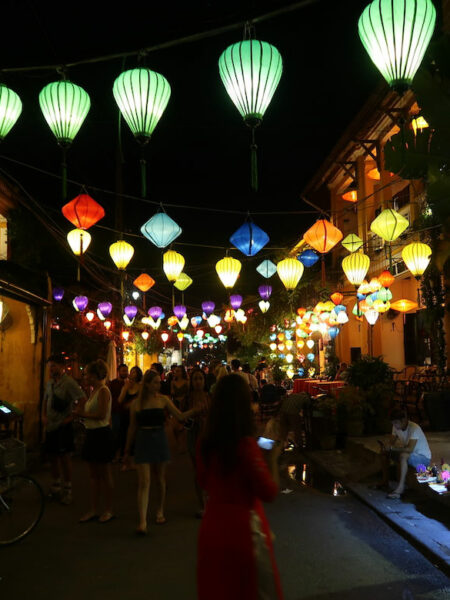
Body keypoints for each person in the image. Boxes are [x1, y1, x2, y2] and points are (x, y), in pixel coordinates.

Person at [197, 374, 283, 600]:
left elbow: (203, 481)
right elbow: (269, 491)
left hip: (212, 527)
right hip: (244, 531)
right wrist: (272, 459)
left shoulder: (205, 443)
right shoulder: (246, 447)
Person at [124, 369, 196, 534]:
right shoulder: (136, 404)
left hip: (159, 439)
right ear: (147, 384)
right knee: (144, 481)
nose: (159, 384)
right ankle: (142, 521)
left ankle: (160, 510)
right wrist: (127, 449)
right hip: (143, 439)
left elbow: (179, 415)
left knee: (160, 478)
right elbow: (132, 427)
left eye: (159, 382)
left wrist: (195, 410)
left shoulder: (163, 400)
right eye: (155, 382)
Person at [42, 354, 86, 505]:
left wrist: (72, 416)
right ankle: (56, 486)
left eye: (53, 365)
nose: (51, 369)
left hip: (63, 426)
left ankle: (68, 489)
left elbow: (82, 399)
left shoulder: (69, 383)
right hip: (51, 426)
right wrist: (43, 416)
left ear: (61, 366)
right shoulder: (50, 384)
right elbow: (46, 399)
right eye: (50, 366)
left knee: (65, 457)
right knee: (53, 456)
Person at [75, 359, 114, 523]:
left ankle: (109, 509)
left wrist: (82, 415)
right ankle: (94, 509)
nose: (85, 377)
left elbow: (102, 414)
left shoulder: (103, 391)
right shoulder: (93, 391)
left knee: (104, 473)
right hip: (92, 433)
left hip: (101, 434)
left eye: (87, 374)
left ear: (94, 375)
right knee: (93, 475)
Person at [380, 408, 431, 499]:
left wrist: (392, 448)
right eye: (393, 423)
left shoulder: (414, 428)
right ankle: (385, 481)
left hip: (422, 458)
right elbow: (391, 442)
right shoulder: (395, 427)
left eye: (396, 423)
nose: (394, 425)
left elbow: (409, 449)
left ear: (403, 420)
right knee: (385, 453)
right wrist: (386, 447)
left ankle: (400, 488)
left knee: (403, 455)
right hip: (410, 455)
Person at [184, 368, 210, 517]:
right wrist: (193, 414)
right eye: (195, 379)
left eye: (200, 378)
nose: (198, 382)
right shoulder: (188, 399)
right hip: (194, 435)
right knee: (198, 470)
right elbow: (183, 421)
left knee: (209, 468)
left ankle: (210, 500)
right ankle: (202, 503)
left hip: (208, 435)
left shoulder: (209, 396)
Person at [117, 366, 143, 470]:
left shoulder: (140, 387)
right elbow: (120, 400)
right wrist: (126, 388)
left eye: (134, 372)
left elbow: (141, 399)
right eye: (131, 372)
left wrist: (132, 403)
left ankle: (133, 460)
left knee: (135, 437)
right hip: (125, 415)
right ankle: (125, 461)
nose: (131, 373)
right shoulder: (126, 386)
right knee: (124, 437)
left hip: (136, 415)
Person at [108, 363, 128, 460]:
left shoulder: (128, 384)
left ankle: (122, 454)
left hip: (125, 412)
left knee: (124, 433)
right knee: (116, 432)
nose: (125, 373)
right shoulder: (113, 383)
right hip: (115, 411)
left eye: (126, 371)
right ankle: (116, 453)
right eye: (123, 371)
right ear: (118, 372)